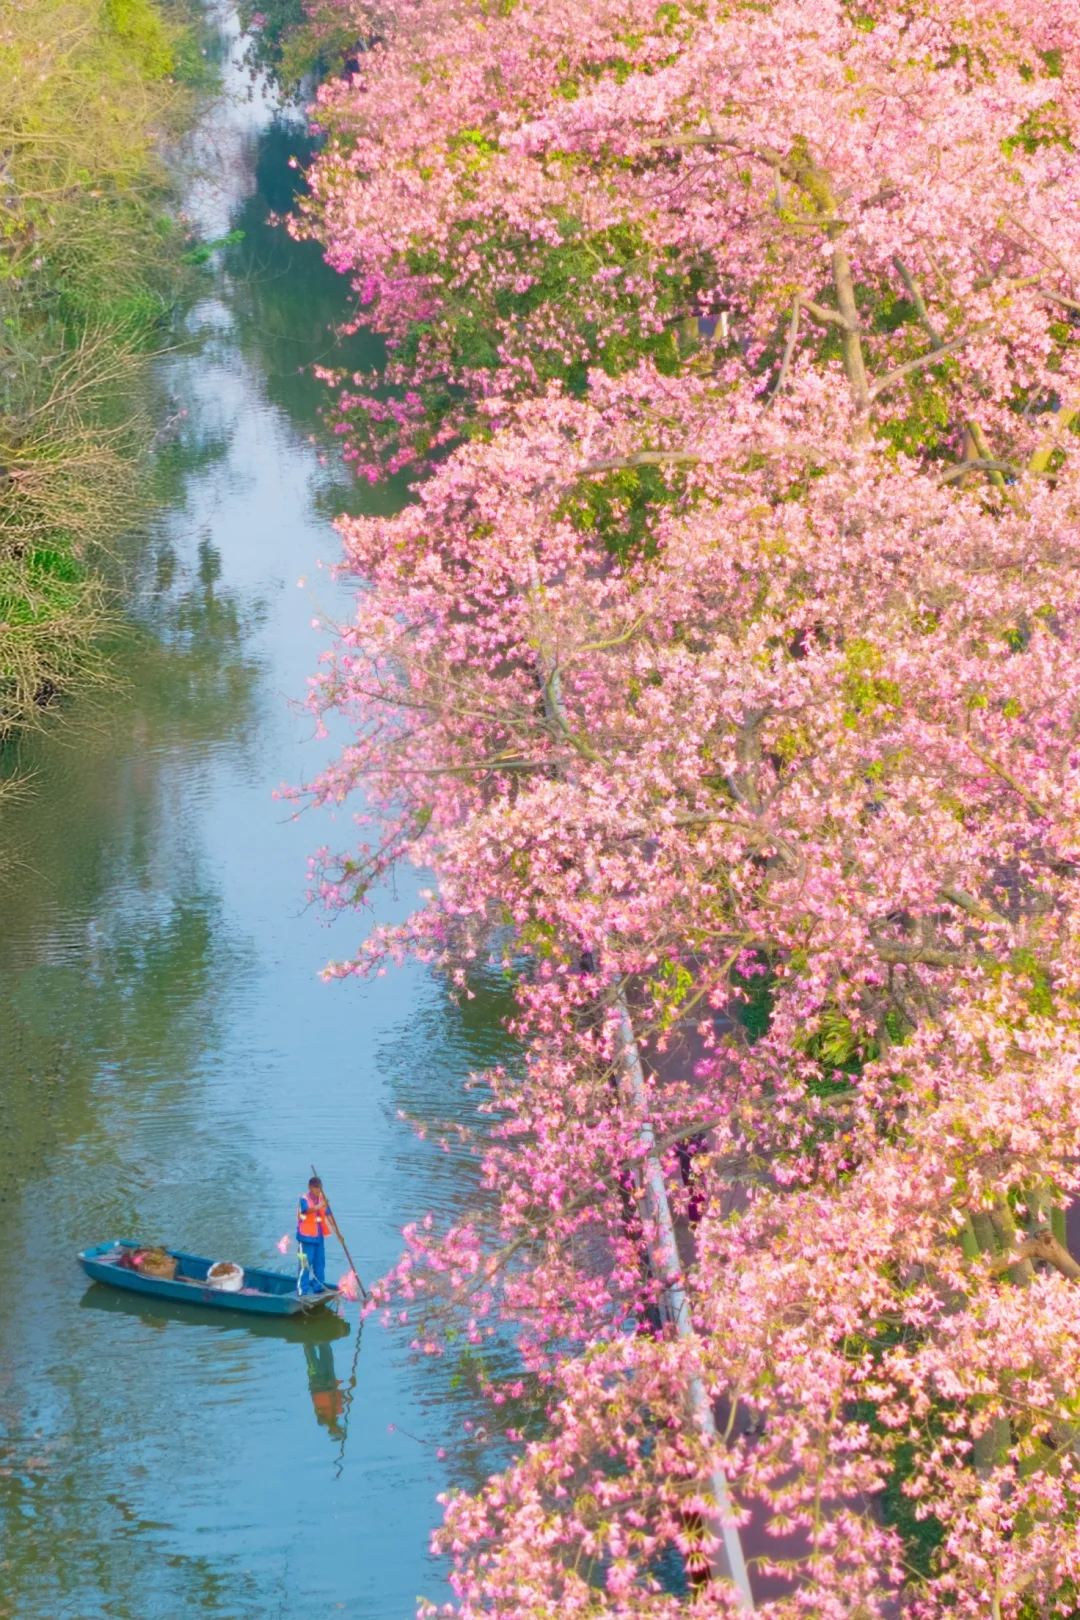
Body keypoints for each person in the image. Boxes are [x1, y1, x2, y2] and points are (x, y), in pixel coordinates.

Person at [296, 1175, 337, 1295]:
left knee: (320, 1264)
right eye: (315, 1187)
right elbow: (307, 1210)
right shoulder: (304, 1199)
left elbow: (328, 1215)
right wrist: (319, 1206)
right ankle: (302, 1290)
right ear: (310, 1187)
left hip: (318, 1237)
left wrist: (337, 1231)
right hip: (305, 1238)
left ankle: (318, 1287)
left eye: (319, 1187)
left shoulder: (322, 1199)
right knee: (304, 1265)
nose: (317, 1190)